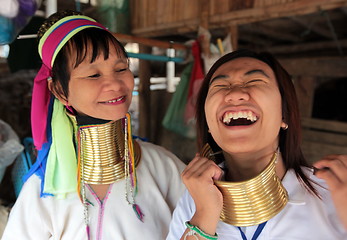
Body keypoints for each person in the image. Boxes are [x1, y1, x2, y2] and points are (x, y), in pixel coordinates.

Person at [2, 10, 185, 240]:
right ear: (59, 90)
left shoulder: (163, 167)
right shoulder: (44, 188)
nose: (115, 84)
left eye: (121, 69)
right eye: (93, 75)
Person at [167, 49, 347, 240]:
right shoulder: (194, 200)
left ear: (284, 114)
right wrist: (204, 216)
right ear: (209, 123)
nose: (235, 94)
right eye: (220, 85)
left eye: (254, 81)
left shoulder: (333, 193)